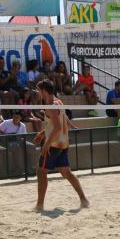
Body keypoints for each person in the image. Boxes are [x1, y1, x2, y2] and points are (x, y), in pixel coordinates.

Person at [34, 79, 89, 212]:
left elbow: (57, 127)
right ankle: (84, 200)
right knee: (66, 172)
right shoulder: (58, 101)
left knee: (41, 171)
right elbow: (58, 121)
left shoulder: (50, 106)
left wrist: (46, 143)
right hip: (63, 143)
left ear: (44, 91)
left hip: (54, 144)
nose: (37, 92)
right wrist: (42, 133)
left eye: (38, 90)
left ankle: (39, 205)